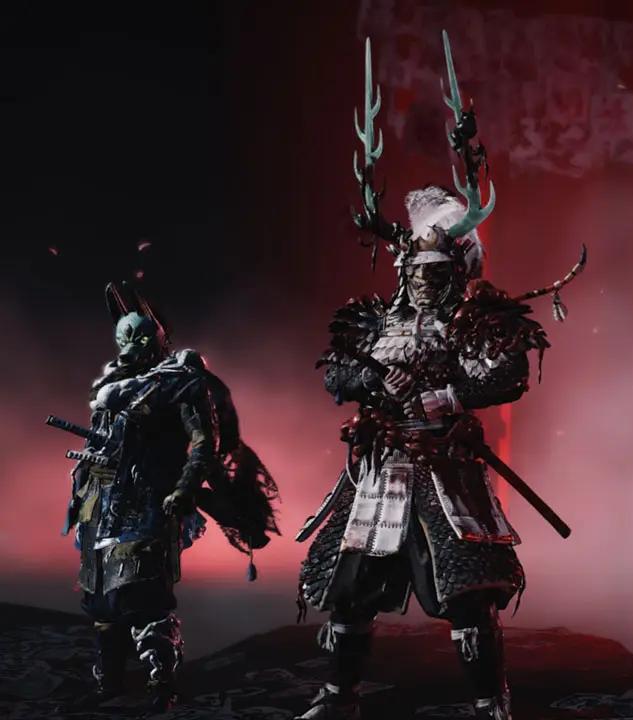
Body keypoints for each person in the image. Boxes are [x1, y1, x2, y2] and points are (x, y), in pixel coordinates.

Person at [293, 34, 583, 720]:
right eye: (416, 272)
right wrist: (368, 388)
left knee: (465, 593)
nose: (425, 282)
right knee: (347, 588)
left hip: (444, 468)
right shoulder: (374, 320)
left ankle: (490, 703)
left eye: (437, 272)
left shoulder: (475, 320)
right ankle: (339, 696)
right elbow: (337, 372)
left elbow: (507, 373)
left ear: (457, 270)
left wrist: (441, 395)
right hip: (379, 468)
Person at [54, 281, 279, 715]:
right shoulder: (113, 383)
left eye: (138, 339)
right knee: (100, 598)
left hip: (148, 502)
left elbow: (204, 444)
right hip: (99, 503)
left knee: (143, 596)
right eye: (125, 340)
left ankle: (162, 686)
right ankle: (110, 683)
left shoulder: (181, 383)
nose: (130, 349)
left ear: (155, 340)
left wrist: (184, 488)